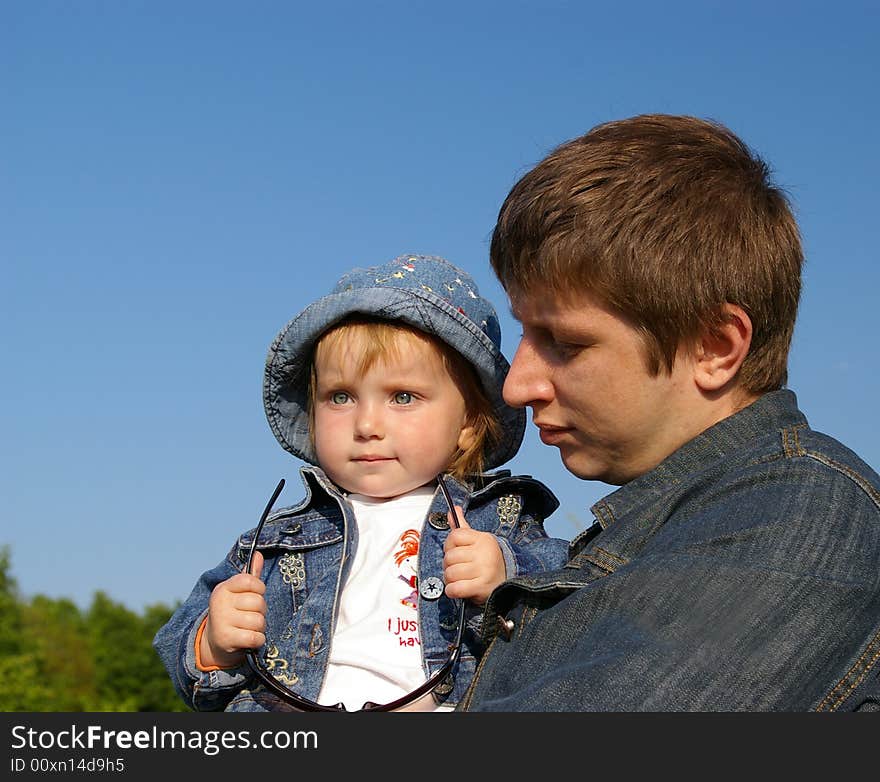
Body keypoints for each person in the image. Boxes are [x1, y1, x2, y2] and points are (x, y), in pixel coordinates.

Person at [457, 114, 880, 712]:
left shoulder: (807, 511)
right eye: (525, 332)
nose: (518, 385)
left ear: (714, 347)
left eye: (565, 342)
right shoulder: (667, 526)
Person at [153, 253, 568, 712]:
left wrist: (508, 575)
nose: (367, 424)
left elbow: (575, 601)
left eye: (403, 397)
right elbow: (180, 643)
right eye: (341, 397)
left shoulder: (496, 520)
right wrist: (212, 644)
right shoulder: (275, 541)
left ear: (468, 422)